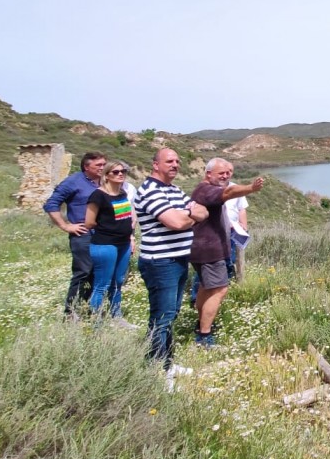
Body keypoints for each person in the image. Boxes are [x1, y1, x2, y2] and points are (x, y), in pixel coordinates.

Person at [133, 148, 208, 378]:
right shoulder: (149, 191)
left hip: (178, 259)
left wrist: (190, 214)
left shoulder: (174, 190)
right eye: (169, 161)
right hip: (160, 261)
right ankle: (157, 371)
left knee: (170, 315)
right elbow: (175, 222)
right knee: (161, 318)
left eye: (177, 161)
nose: (175, 164)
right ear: (156, 164)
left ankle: (166, 362)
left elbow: (203, 213)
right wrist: (190, 215)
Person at [190, 159, 264, 347]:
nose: (225, 176)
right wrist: (251, 188)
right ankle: (205, 335)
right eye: (220, 173)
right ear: (208, 174)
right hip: (210, 250)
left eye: (228, 173)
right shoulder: (207, 190)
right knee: (219, 289)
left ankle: (200, 325)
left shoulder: (203, 189)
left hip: (203, 248)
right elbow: (229, 192)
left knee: (205, 288)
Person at [43, 151, 106, 317]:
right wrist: (66, 226)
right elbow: (51, 204)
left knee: (99, 273)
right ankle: (71, 313)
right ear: (86, 166)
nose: (102, 168)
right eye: (98, 165)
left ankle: (90, 310)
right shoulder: (73, 181)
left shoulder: (104, 181)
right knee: (83, 272)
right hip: (83, 235)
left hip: (104, 235)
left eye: (103, 164)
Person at [83, 159, 137, 326]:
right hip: (105, 245)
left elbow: (128, 217)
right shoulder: (98, 195)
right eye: (115, 172)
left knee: (117, 282)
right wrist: (109, 228)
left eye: (123, 171)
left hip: (123, 244)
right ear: (106, 175)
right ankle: (96, 322)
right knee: (102, 284)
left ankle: (116, 316)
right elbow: (89, 221)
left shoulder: (122, 194)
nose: (120, 174)